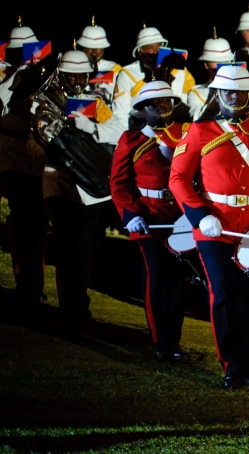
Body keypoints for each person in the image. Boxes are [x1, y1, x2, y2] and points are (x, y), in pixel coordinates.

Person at [168, 65, 249, 389]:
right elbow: (178, 178)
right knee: (224, 294)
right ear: (217, 94)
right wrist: (200, 217)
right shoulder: (201, 131)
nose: (234, 98)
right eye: (228, 92)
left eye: (241, 93)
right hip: (215, 227)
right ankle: (232, 367)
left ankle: (246, 366)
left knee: (248, 297)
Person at [109, 81, 192, 361]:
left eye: (165, 102)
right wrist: (131, 215)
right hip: (147, 218)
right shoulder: (131, 140)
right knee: (155, 276)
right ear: (144, 109)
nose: (160, 108)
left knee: (177, 280)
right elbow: (119, 184)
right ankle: (161, 342)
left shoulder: (187, 134)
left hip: (179, 218)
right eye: (154, 104)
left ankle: (174, 341)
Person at [42, 49, 121, 323]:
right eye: (70, 75)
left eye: (81, 75)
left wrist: (93, 127)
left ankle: (81, 303)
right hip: (60, 181)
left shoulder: (93, 102)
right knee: (65, 245)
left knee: (85, 247)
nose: (76, 80)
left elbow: (119, 132)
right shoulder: (46, 102)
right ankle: (68, 304)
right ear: (61, 75)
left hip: (91, 188)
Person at [0, 21, 49, 308]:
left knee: (38, 221)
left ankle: (35, 285)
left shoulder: (40, 72)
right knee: (21, 219)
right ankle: (24, 282)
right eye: (19, 51)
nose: (25, 56)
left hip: (36, 152)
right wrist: (17, 73)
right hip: (10, 152)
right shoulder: (3, 71)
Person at [111, 25, 194, 131]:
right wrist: (129, 137)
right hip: (142, 127)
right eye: (150, 47)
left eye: (159, 46)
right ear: (140, 51)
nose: (156, 51)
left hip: (175, 125)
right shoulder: (127, 73)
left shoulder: (179, 69)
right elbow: (120, 112)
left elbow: (185, 102)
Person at [187, 29, 234, 119]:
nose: (221, 65)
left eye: (226, 62)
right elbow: (197, 120)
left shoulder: (243, 89)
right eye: (216, 62)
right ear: (206, 65)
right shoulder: (196, 93)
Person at [76, 17, 121, 103]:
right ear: (83, 47)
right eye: (90, 47)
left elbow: (122, 97)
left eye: (98, 47)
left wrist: (107, 90)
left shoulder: (114, 69)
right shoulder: (74, 67)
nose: (94, 51)